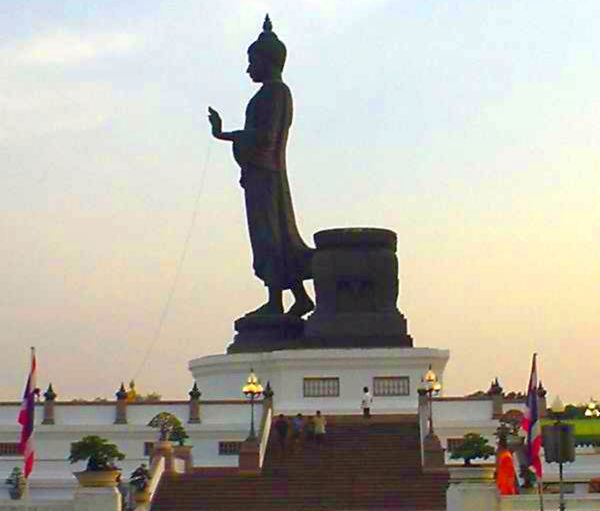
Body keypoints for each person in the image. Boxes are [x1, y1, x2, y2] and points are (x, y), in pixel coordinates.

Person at [208, 15, 314, 318]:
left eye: (252, 61)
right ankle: (296, 297)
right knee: (273, 232)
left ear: (268, 61)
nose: (249, 69)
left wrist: (227, 135)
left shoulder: (274, 93)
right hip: (262, 172)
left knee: (270, 234)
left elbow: (265, 137)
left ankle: (276, 302)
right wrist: (225, 134)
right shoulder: (271, 93)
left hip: (265, 172)